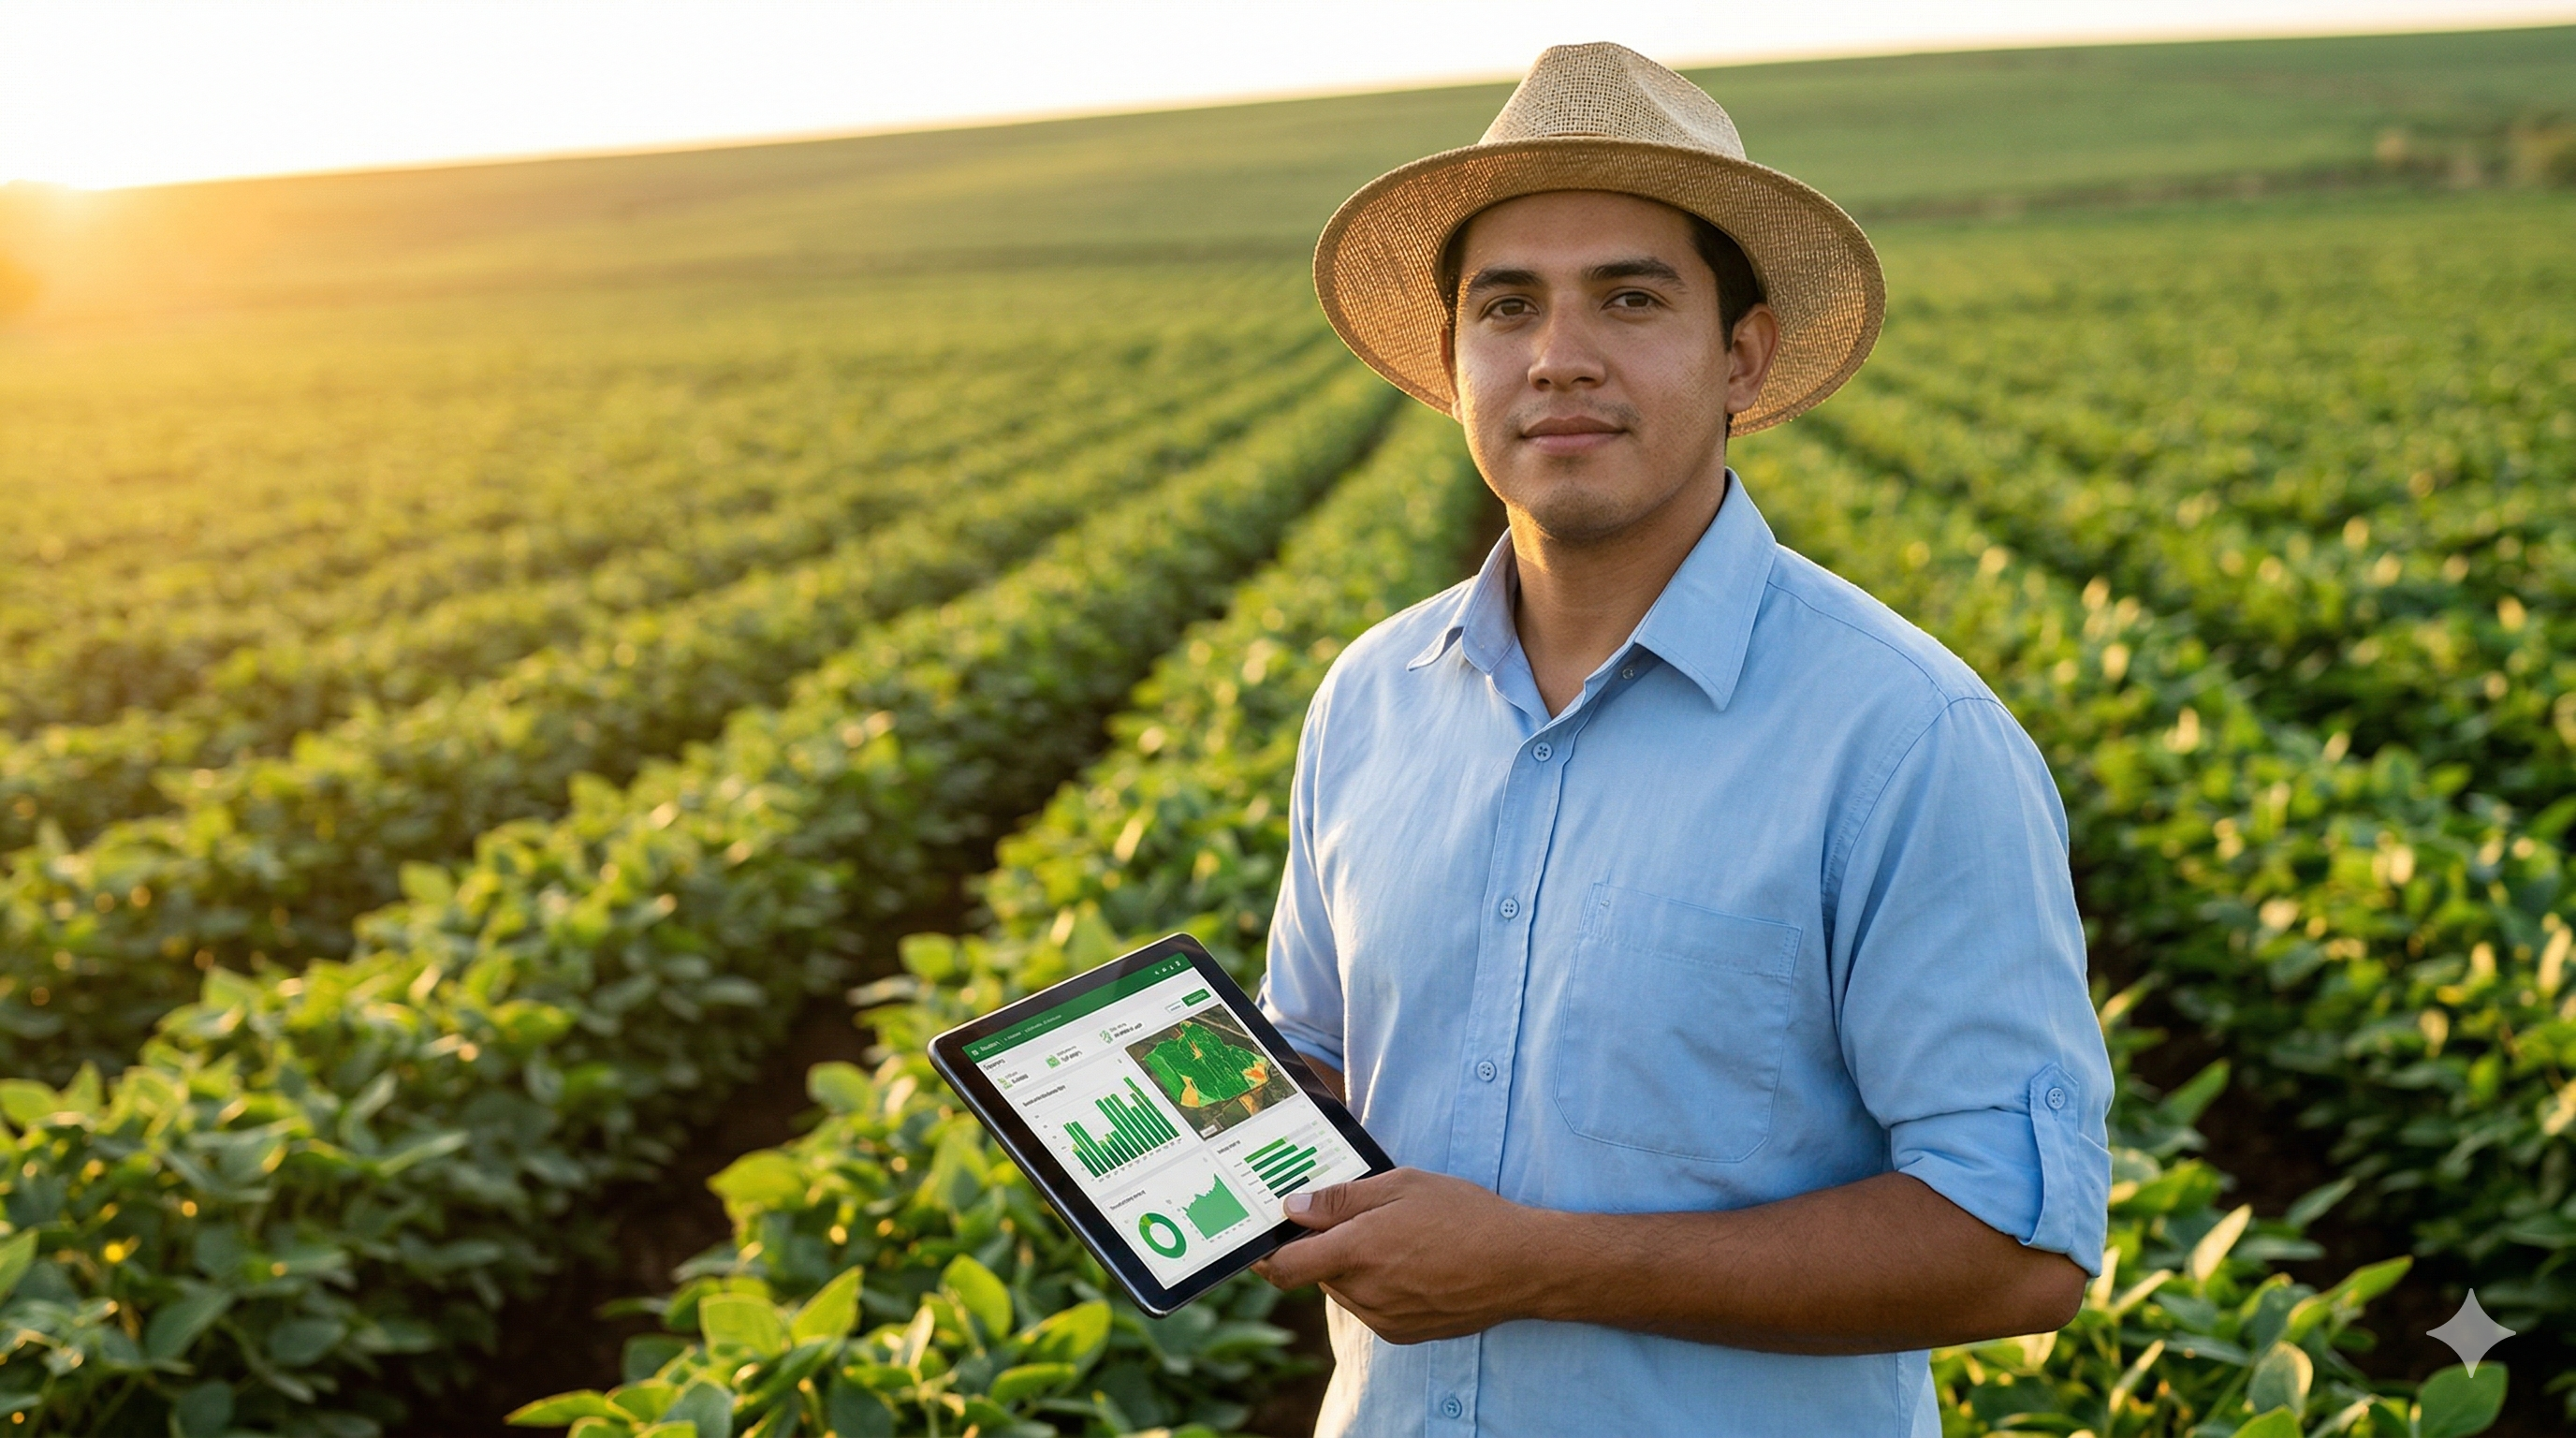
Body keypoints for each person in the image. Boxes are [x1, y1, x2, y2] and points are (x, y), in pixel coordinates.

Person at [1251, 41, 2113, 1436]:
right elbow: (1333, 1065)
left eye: (1631, 299)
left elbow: (2014, 1249)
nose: (1559, 358)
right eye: (1505, 306)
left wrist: (1538, 1266)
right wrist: (1182, 1118)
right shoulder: (1370, 697)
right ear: (1453, 360)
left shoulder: (1906, 736)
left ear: (1743, 358)